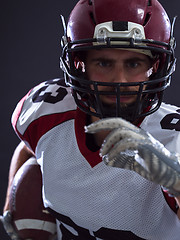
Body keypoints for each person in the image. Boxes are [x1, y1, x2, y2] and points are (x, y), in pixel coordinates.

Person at [1, 0, 180, 239]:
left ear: (156, 66)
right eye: (104, 63)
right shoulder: (48, 113)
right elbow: (31, 148)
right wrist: (11, 206)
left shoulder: (173, 138)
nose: (119, 80)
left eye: (134, 63)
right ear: (79, 64)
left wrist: (176, 182)